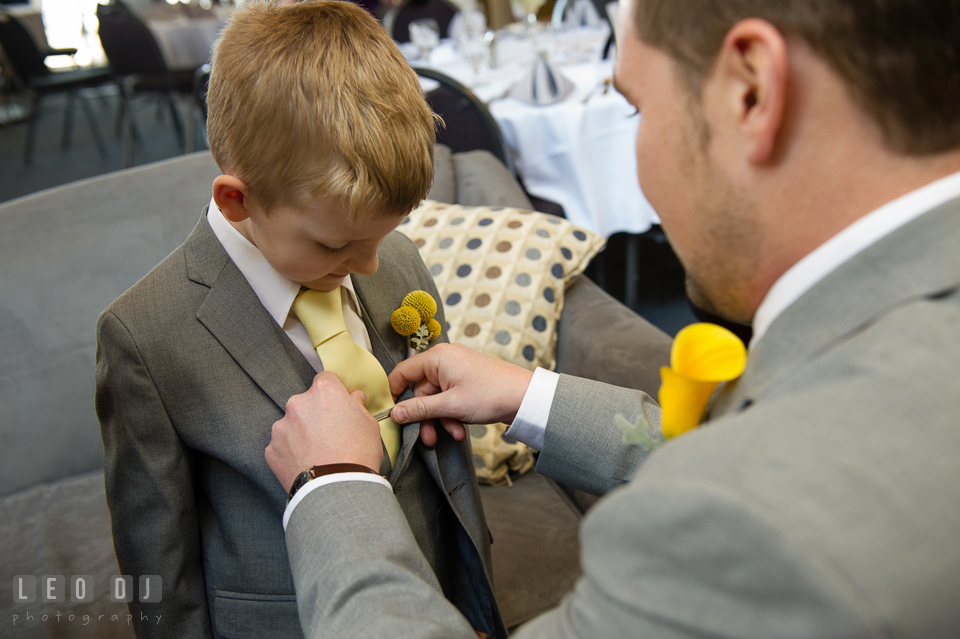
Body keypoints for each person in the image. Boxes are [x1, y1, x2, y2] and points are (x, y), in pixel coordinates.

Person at [264, 0, 960, 636]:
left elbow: (769, 478)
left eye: (636, 109)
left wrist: (334, 487)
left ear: (750, 90)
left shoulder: (743, 518)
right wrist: (529, 394)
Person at [95, 3, 503, 638]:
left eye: (381, 239)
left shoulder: (389, 257)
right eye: (335, 248)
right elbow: (160, 564)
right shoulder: (146, 336)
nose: (368, 267)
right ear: (237, 201)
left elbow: (443, 462)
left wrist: (469, 600)